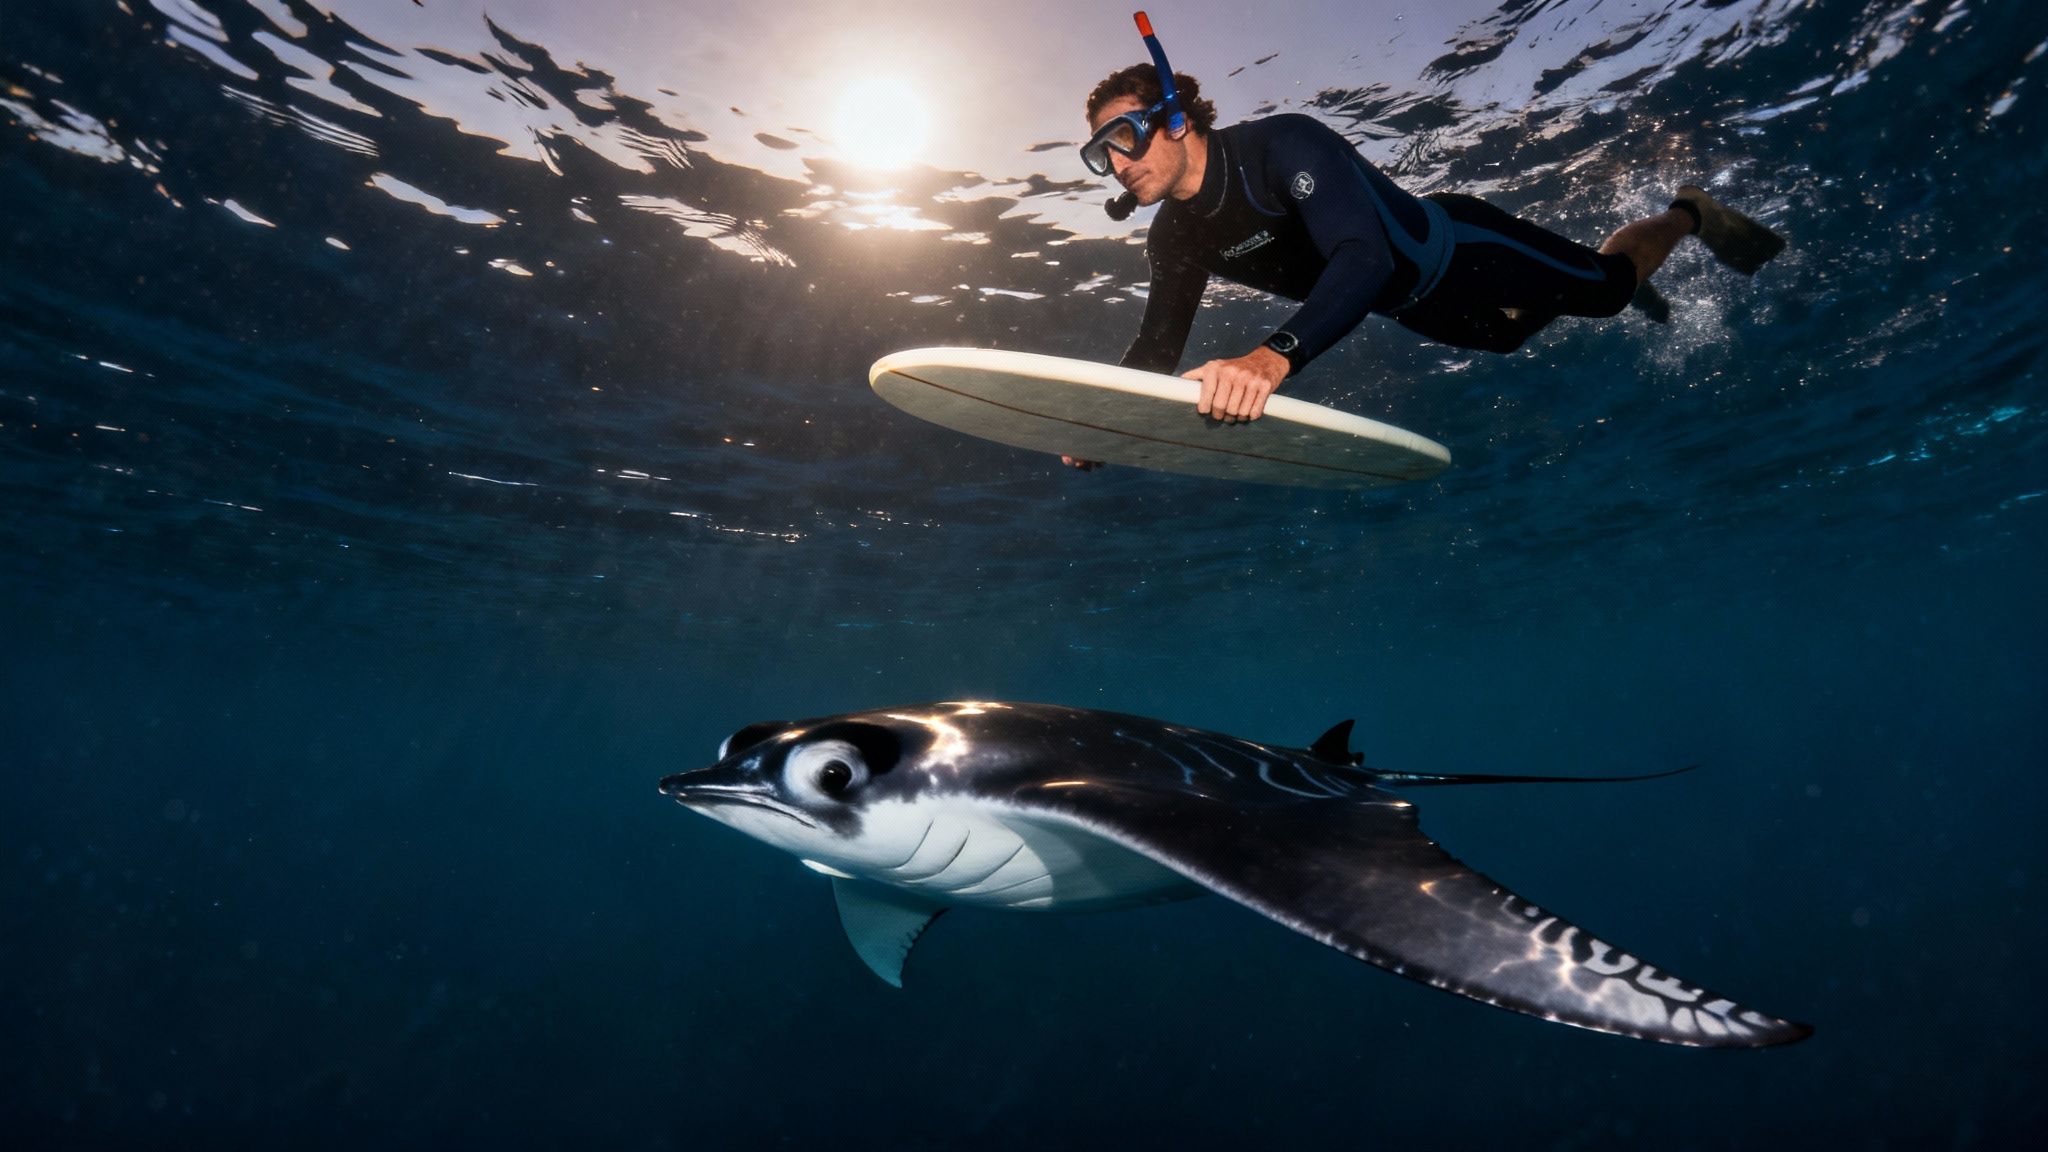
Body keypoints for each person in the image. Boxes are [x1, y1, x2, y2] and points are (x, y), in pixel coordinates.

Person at [1067, 54, 1785, 467]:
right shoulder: (1173, 237)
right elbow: (1158, 344)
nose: (1117, 162)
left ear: (1175, 119)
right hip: (1413, 305)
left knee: (1606, 293)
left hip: (1459, 248)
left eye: (1125, 135)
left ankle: (1687, 213)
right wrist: (1107, 416)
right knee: (1505, 338)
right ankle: (1599, 279)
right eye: (1100, 154)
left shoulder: (1281, 146)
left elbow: (1364, 257)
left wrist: (1270, 359)